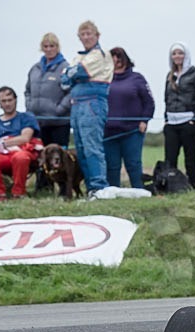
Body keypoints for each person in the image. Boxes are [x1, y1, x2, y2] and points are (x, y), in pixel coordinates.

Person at [61, 20, 114, 199]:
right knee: (81, 148)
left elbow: (80, 72)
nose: (86, 37)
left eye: (89, 33)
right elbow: (64, 79)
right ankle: (91, 187)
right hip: (76, 104)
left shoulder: (101, 54)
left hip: (93, 102)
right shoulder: (78, 56)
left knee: (92, 146)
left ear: (97, 35)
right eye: (82, 35)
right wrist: (72, 73)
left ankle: (99, 186)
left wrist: (73, 73)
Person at [25, 32, 72, 192]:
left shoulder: (66, 68)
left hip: (59, 122)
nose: (49, 49)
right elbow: (27, 91)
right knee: (41, 156)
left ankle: (65, 188)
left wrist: (59, 109)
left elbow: (71, 92)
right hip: (38, 122)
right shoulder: (35, 69)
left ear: (57, 47)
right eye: (46, 46)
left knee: (60, 157)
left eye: (52, 46)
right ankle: (43, 187)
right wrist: (29, 106)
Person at [0, 86, 41, 201]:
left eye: (10, 100)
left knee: (20, 157)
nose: (7, 104)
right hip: (1, 155)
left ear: (15, 100)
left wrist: (3, 143)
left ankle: (19, 193)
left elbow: (25, 138)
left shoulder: (26, 117)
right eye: (4, 101)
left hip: (21, 151)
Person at [104, 47, 154, 189]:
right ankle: (113, 192)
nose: (116, 60)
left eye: (119, 57)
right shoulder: (104, 79)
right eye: (112, 58)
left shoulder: (137, 78)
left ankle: (139, 190)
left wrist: (144, 120)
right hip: (108, 131)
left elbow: (149, 102)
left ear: (125, 59)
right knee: (112, 165)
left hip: (132, 131)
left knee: (133, 163)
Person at [164, 42, 195, 189]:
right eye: (174, 53)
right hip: (171, 122)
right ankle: (171, 186)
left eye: (180, 53)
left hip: (188, 121)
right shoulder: (170, 75)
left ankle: (193, 186)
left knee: (189, 158)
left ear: (186, 55)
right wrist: (166, 118)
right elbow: (167, 98)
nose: (177, 56)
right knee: (170, 158)